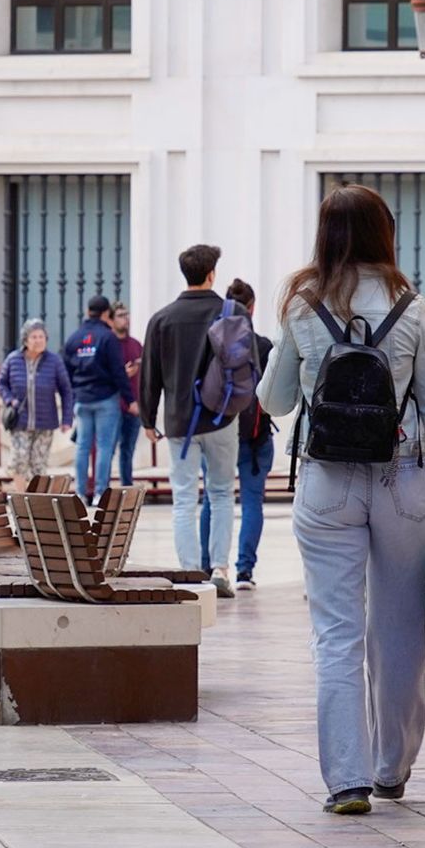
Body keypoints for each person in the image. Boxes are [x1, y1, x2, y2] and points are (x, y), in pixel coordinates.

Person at [258, 185, 425, 815]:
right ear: (384, 232)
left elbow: (275, 400)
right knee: (398, 627)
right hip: (402, 479)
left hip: (326, 482)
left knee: (336, 634)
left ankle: (345, 780)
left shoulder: (302, 303)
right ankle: (391, 767)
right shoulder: (412, 307)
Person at [140, 244, 241, 598]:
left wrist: (148, 418)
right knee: (222, 493)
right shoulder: (230, 311)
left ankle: (187, 572)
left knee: (184, 498)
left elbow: (149, 373)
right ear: (212, 274)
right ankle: (220, 569)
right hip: (222, 418)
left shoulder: (163, 318)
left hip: (180, 422)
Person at [200, 279, 273, 591]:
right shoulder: (265, 346)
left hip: (218, 429)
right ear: (252, 307)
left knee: (213, 498)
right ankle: (245, 570)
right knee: (253, 502)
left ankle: (208, 565)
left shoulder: (211, 341)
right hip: (256, 439)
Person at [63, 296, 138, 501]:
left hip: (83, 399)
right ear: (106, 314)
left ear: (88, 312)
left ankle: (79, 491)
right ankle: (99, 492)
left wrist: (75, 393)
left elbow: (66, 370)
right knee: (104, 446)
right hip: (106, 398)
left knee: (83, 446)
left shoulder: (74, 338)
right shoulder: (107, 337)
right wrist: (130, 400)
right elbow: (117, 371)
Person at [0, 319, 73, 485]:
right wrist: (10, 400)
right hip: (19, 420)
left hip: (45, 421)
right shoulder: (13, 359)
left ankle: (34, 500)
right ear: (25, 340)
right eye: (34, 337)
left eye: (42, 336)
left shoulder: (54, 361)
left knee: (38, 464)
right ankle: (20, 498)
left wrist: (67, 419)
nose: (39, 340)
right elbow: (1, 383)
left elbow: (66, 390)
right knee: (20, 460)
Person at [109, 301, 143, 486]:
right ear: (112, 320)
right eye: (121, 315)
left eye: (126, 314)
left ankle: (127, 487)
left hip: (134, 406)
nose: (126, 318)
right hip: (112, 406)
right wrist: (120, 373)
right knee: (109, 450)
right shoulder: (107, 344)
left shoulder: (136, 345)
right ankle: (102, 489)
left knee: (128, 450)